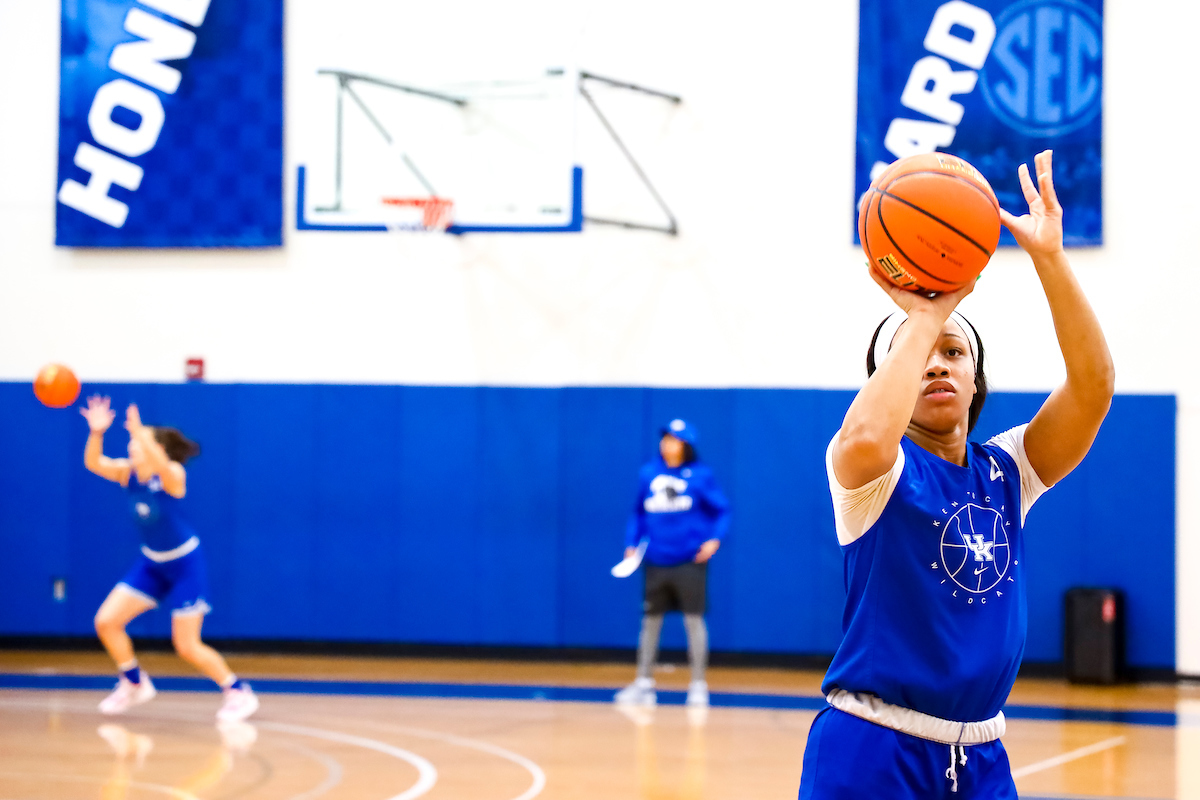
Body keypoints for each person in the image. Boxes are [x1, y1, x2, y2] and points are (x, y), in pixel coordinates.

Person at [798, 150, 1114, 797]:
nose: (937, 364)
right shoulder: (870, 472)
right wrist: (925, 313)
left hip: (980, 755)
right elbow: (864, 434)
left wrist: (1051, 260)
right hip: (871, 747)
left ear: (976, 380)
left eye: (954, 351)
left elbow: (1094, 385)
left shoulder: (1007, 471)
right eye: (919, 356)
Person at [81, 396, 258, 722]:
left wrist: (143, 434)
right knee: (106, 622)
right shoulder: (127, 474)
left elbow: (164, 466)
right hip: (151, 564)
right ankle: (134, 682)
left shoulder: (172, 475)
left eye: (137, 442)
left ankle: (236, 691)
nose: (132, 447)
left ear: (155, 448)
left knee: (187, 646)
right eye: (132, 441)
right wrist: (96, 432)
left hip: (184, 565)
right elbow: (94, 463)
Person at [614, 418, 732, 708]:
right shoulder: (648, 474)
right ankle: (644, 683)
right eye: (665, 439)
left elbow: (723, 510)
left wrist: (715, 539)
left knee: (694, 621)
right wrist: (632, 543)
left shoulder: (700, 476)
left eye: (675, 440)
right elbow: (637, 513)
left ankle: (698, 685)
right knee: (650, 622)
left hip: (689, 561)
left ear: (687, 445)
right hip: (655, 560)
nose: (668, 445)